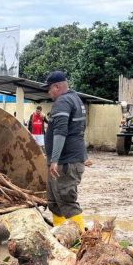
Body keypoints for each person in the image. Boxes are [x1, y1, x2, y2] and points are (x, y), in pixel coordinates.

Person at [41, 71, 87, 232]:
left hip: (65, 162)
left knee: (66, 202)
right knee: (54, 202)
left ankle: (82, 243)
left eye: (49, 88)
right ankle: (60, 238)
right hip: (67, 160)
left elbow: (61, 131)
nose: (48, 92)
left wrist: (54, 159)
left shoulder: (63, 101)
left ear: (57, 86)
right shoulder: (75, 99)